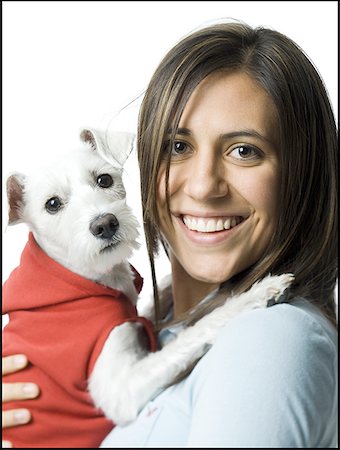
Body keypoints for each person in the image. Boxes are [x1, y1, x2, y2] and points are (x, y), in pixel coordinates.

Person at [2, 20, 338, 448]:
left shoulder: (268, 338)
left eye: (244, 151)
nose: (202, 185)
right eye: (178, 147)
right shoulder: (149, 316)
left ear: (302, 174)